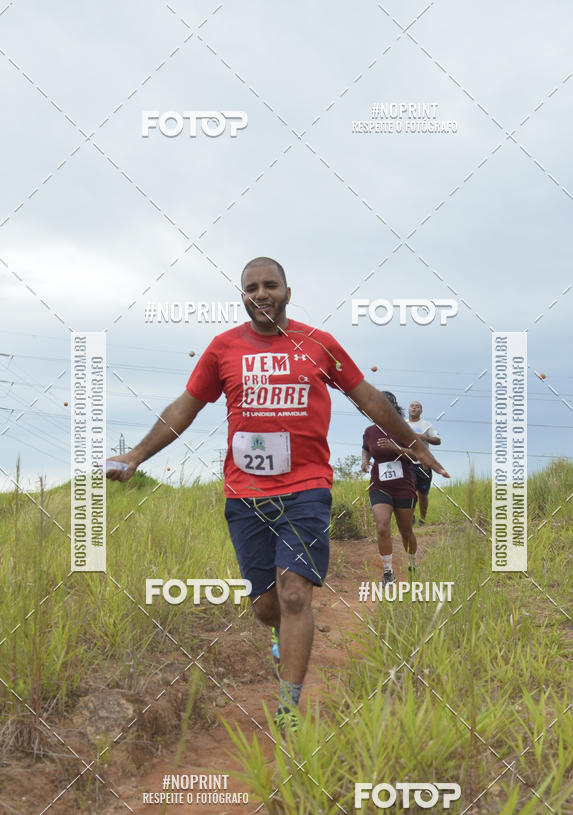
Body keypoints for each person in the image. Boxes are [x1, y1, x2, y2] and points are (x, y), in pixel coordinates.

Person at [107, 257, 449, 732]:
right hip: (243, 496)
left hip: (306, 489)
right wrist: (137, 455)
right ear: (242, 295)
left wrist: (412, 443)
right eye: (252, 287)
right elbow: (184, 408)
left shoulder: (319, 344)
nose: (261, 293)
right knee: (267, 606)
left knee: (293, 596)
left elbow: (367, 396)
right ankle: (279, 641)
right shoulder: (222, 349)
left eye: (271, 285)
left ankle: (289, 706)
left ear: (288, 291)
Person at [362, 393, 418, 583]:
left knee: (406, 531)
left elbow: (416, 457)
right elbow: (366, 447)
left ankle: (412, 562)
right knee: (382, 527)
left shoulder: (404, 430)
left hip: (403, 487)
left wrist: (397, 448)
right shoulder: (370, 431)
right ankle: (388, 572)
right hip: (379, 485)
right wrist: (364, 461)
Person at [407, 400, 441, 525]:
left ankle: (422, 519)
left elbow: (438, 441)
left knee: (423, 495)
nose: (414, 408)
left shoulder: (427, 425)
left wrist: (425, 437)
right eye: (412, 406)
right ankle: (410, 517)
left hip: (424, 464)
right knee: (410, 491)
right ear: (409, 409)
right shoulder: (402, 424)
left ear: (421, 411)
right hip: (408, 463)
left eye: (417, 407)